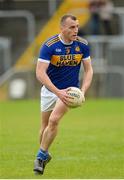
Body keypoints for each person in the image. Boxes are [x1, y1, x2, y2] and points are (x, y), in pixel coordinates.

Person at [33, 14, 93, 175]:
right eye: (72, 27)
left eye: (77, 27)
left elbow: (89, 70)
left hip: (69, 91)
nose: (76, 30)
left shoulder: (83, 45)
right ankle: (45, 153)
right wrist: (56, 91)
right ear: (62, 28)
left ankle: (40, 157)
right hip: (50, 90)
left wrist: (83, 91)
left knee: (54, 120)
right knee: (44, 127)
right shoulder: (49, 45)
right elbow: (40, 73)